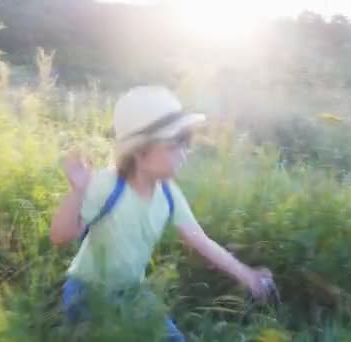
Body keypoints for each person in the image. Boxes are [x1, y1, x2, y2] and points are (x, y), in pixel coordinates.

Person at [50, 86, 275, 341]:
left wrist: (247, 275)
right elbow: (60, 236)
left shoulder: (169, 194)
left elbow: (201, 241)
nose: (185, 152)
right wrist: (78, 191)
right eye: (174, 144)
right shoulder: (107, 186)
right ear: (139, 152)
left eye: (186, 142)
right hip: (87, 293)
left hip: (132, 290)